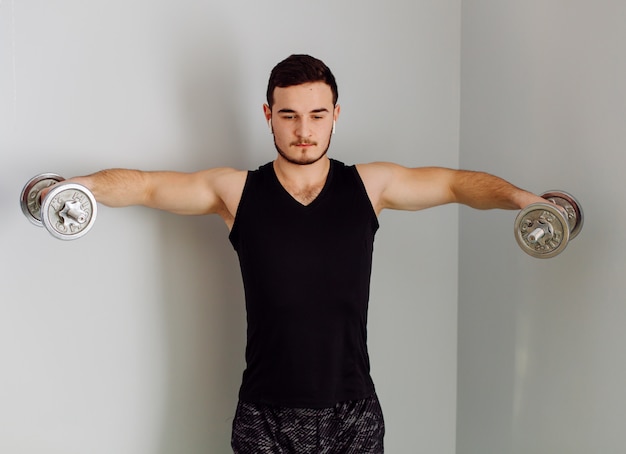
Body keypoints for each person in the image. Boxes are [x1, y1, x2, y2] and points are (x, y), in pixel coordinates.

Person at [46, 54, 546, 453]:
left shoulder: (369, 186)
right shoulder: (237, 191)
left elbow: (457, 185)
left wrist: (526, 201)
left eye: (316, 115)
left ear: (335, 116)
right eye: (288, 115)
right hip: (264, 417)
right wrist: (75, 188)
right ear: (269, 116)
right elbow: (148, 187)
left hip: (353, 415)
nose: (303, 130)